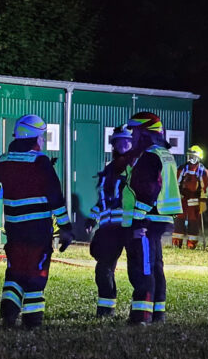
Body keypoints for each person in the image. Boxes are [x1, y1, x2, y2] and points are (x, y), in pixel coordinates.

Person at [0, 114, 72, 329]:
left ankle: (9, 314)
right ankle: (32, 320)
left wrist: (5, 193)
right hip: (38, 229)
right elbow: (55, 196)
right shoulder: (40, 161)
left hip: (15, 228)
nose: (43, 141)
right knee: (36, 272)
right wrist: (65, 227)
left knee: (15, 270)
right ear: (35, 138)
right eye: (42, 137)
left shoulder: (5, 159)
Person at [121, 112, 182, 325]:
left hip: (147, 221)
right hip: (160, 219)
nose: (132, 137)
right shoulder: (163, 153)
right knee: (155, 266)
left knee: (143, 267)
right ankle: (158, 313)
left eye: (135, 132)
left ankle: (141, 316)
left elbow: (148, 190)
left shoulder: (149, 156)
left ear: (145, 132)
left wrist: (137, 221)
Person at [85, 124, 133, 317]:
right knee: (103, 269)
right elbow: (103, 201)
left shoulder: (136, 169)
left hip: (130, 226)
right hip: (108, 228)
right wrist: (92, 218)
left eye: (126, 141)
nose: (122, 145)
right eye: (118, 141)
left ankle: (143, 312)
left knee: (138, 271)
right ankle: (105, 310)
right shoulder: (108, 170)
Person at [173, 145, 208, 249]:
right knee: (179, 219)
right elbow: (176, 183)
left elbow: (205, 187)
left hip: (195, 200)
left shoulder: (202, 170)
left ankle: (191, 244)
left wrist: (203, 201)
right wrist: (177, 196)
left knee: (193, 221)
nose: (191, 159)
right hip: (182, 198)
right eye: (190, 156)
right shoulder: (182, 168)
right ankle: (176, 243)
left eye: (194, 157)